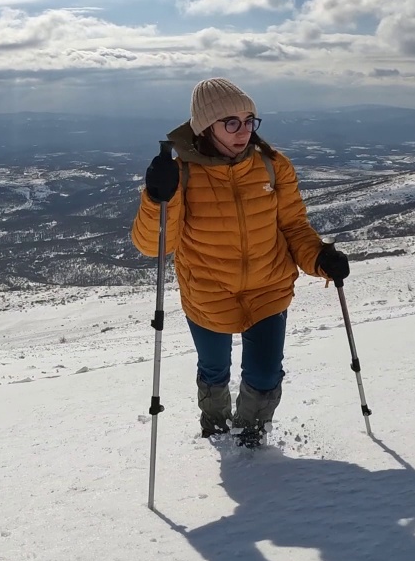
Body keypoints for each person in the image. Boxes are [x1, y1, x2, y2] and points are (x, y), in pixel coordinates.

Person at [130, 78, 349, 447]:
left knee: (264, 373)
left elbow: (293, 226)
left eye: (249, 120)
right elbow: (154, 245)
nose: (243, 130)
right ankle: (215, 430)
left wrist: (320, 258)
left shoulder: (272, 165)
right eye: (230, 122)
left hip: (268, 287)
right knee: (215, 371)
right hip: (208, 293)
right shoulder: (181, 173)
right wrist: (156, 197)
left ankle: (249, 437)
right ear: (205, 126)